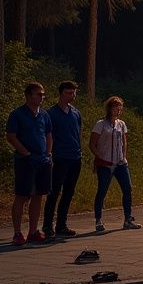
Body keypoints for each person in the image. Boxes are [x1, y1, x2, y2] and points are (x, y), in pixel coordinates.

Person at [5, 82, 53, 246]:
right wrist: (25, 152)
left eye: (43, 94)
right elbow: (11, 136)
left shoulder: (44, 115)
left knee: (38, 195)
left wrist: (48, 153)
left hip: (42, 161)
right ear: (29, 95)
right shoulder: (17, 114)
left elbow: (48, 135)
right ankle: (17, 233)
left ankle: (33, 231)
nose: (42, 97)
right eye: (39, 94)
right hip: (25, 161)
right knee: (21, 195)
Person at [90, 95, 139, 231]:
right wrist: (99, 156)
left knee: (127, 189)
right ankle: (98, 220)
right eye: (115, 107)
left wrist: (123, 156)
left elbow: (124, 141)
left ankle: (128, 219)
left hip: (120, 163)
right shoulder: (101, 124)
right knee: (102, 191)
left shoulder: (121, 124)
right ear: (109, 108)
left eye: (120, 107)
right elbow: (92, 143)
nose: (118, 110)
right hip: (105, 163)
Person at [42, 80, 82, 238]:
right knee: (54, 192)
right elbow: (48, 136)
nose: (72, 96)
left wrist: (79, 150)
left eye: (73, 93)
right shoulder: (51, 113)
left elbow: (78, 133)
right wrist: (49, 154)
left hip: (75, 157)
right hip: (59, 157)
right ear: (61, 93)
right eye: (68, 93)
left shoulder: (76, 112)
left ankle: (61, 224)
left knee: (69, 192)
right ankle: (47, 225)